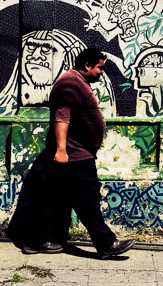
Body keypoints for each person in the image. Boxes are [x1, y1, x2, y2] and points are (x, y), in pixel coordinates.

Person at [21, 47, 134, 258]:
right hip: (74, 156)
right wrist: (62, 150)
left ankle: (37, 240)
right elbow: (61, 117)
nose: (102, 72)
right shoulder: (70, 83)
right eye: (99, 68)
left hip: (76, 154)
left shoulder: (75, 82)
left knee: (55, 199)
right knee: (87, 199)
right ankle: (106, 244)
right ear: (87, 66)